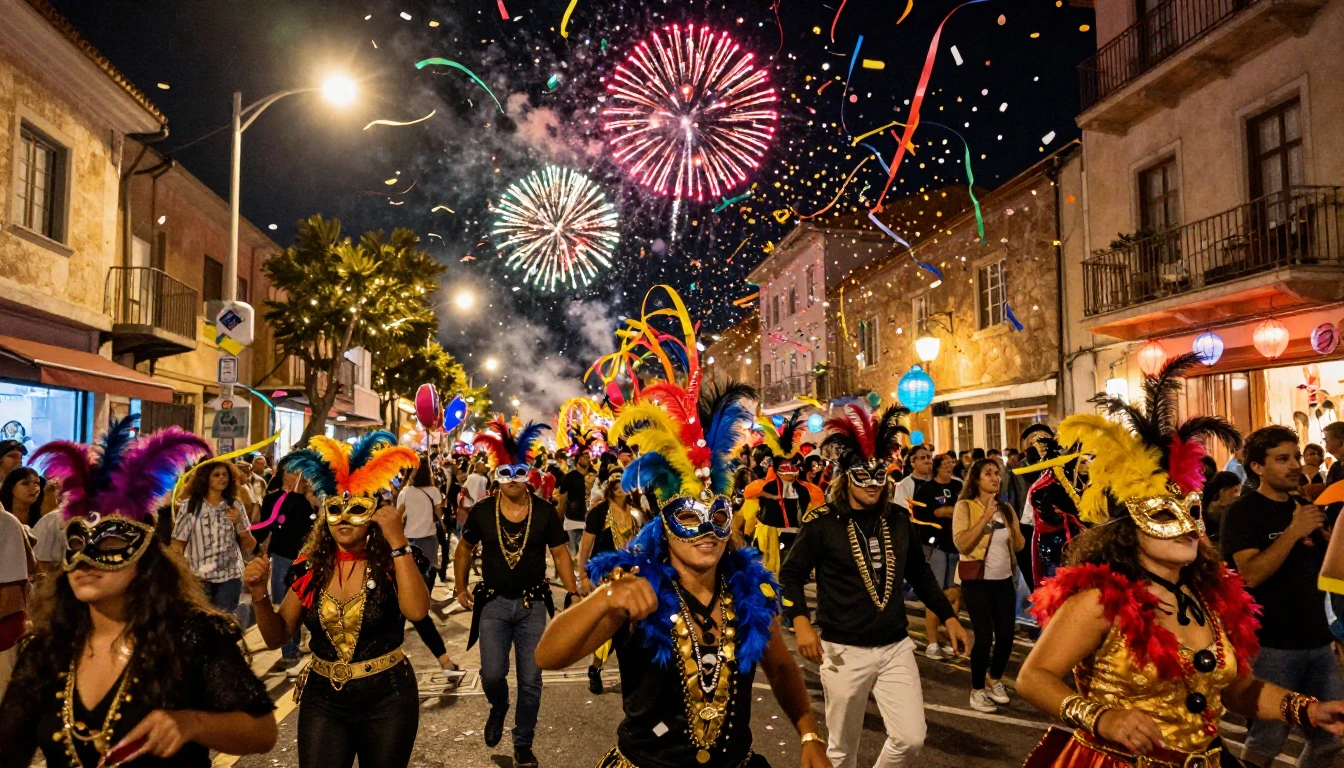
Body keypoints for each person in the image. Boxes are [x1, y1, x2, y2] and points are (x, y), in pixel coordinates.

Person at [1013, 353, 1344, 768]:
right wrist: (1102, 717)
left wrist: (1305, 710)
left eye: (1193, 511)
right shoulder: (1100, 602)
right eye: (1166, 513)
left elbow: (1236, 689)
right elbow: (1033, 677)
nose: (1188, 525)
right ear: (1128, 527)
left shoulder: (1208, 597)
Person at [537, 378, 831, 768]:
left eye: (718, 518)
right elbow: (548, 655)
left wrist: (809, 735)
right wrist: (606, 598)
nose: (707, 531)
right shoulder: (636, 593)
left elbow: (779, 666)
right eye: (690, 517)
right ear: (665, 523)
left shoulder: (749, 593)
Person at [2, 416, 277, 767]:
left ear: (144, 555)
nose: (85, 559)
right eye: (76, 543)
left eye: (110, 542)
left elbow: (263, 731)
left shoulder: (192, 637)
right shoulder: (46, 650)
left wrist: (192, 722)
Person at [781, 404, 969, 768]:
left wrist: (949, 617)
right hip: (843, 652)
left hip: (895, 646)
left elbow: (919, 573)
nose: (872, 484)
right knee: (841, 751)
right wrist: (800, 622)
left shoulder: (899, 519)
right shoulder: (822, 523)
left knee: (910, 738)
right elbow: (790, 575)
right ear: (845, 478)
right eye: (862, 477)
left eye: (879, 476)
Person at [245, 431, 429, 768]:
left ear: (375, 513)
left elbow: (417, 610)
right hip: (323, 697)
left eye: (356, 507)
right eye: (335, 508)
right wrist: (258, 596)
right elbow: (277, 635)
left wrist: (398, 541)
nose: (344, 518)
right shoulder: (309, 566)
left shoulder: (395, 561)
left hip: (388, 695)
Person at [454, 416, 579, 768]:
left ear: (530, 474)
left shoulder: (544, 512)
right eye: (505, 473)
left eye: (519, 471)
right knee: (492, 674)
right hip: (492, 604)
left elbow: (559, 553)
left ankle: (523, 742)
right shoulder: (481, 511)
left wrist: (572, 593)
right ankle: (498, 705)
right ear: (497, 475)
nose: (512, 480)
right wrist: (461, 586)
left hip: (533, 605)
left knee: (531, 680)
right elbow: (463, 550)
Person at [1220, 425, 1344, 768]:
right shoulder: (1243, 512)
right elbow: (1250, 575)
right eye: (1282, 459)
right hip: (1272, 647)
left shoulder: (1304, 505)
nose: (1294, 466)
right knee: (1267, 739)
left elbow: (1323, 574)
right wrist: (1292, 533)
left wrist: (1328, 537)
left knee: (1330, 736)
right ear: (1257, 467)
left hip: (1319, 644)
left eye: (1295, 457)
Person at [953, 458, 1025, 712]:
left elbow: (1018, 546)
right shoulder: (964, 506)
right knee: (984, 637)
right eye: (988, 473)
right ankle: (977, 690)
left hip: (1003, 580)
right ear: (976, 479)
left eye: (997, 473)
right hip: (977, 582)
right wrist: (985, 517)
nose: (995, 477)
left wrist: (1014, 530)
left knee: (1006, 636)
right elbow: (961, 543)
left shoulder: (1006, 509)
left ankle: (994, 678)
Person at [576, 472, 641, 694]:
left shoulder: (636, 512)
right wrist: (583, 577)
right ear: (610, 488)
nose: (620, 489)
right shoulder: (599, 512)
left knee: (633, 628)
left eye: (624, 485)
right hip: (605, 576)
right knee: (609, 627)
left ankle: (631, 675)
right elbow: (584, 547)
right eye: (616, 486)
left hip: (632, 576)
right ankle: (595, 669)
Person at [254, 456, 317, 674]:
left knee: (309, 604)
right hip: (282, 558)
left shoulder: (308, 498)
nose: (300, 475)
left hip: (309, 559)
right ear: (284, 474)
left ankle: (308, 640)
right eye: (294, 471)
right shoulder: (274, 499)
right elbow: (263, 529)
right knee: (284, 603)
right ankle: (289, 653)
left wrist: (310, 499)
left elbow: (318, 525)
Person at [741, 411, 823, 574]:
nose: (790, 472)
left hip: (797, 539)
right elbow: (749, 517)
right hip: (767, 539)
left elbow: (815, 520)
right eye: (784, 468)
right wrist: (747, 535)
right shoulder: (759, 487)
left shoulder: (811, 491)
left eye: (793, 467)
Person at [172, 460, 255, 613]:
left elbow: (249, 543)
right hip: (199, 578)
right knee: (202, 624)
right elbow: (177, 545)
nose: (222, 478)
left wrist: (239, 523)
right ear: (205, 478)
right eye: (216, 475)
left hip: (230, 577)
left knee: (224, 625)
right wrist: (180, 575)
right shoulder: (190, 506)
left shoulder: (235, 505)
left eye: (225, 475)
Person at [1014, 425, 1087, 586]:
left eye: (1042, 437)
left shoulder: (1068, 470)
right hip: (1039, 531)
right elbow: (1022, 501)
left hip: (1071, 535)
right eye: (1034, 439)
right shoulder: (1031, 472)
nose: (1038, 441)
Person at [913, 454, 962, 660]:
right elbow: (925, 514)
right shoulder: (926, 490)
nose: (949, 468)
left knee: (954, 592)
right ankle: (932, 642)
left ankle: (951, 636)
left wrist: (948, 511)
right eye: (945, 466)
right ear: (936, 468)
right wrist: (945, 511)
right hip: (936, 547)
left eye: (951, 465)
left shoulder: (959, 486)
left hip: (957, 546)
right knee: (935, 593)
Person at [557, 450, 595, 554]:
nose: (586, 458)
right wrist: (559, 519)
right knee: (572, 553)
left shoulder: (595, 476)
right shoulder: (569, 477)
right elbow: (562, 498)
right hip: (572, 519)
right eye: (583, 455)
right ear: (578, 459)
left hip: (590, 521)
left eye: (588, 456)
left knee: (585, 555)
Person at [1199, 471, 1242, 543]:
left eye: (1239, 491)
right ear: (1222, 491)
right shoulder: (1200, 515)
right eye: (1236, 491)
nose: (1238, 496)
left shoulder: (1234, 517)